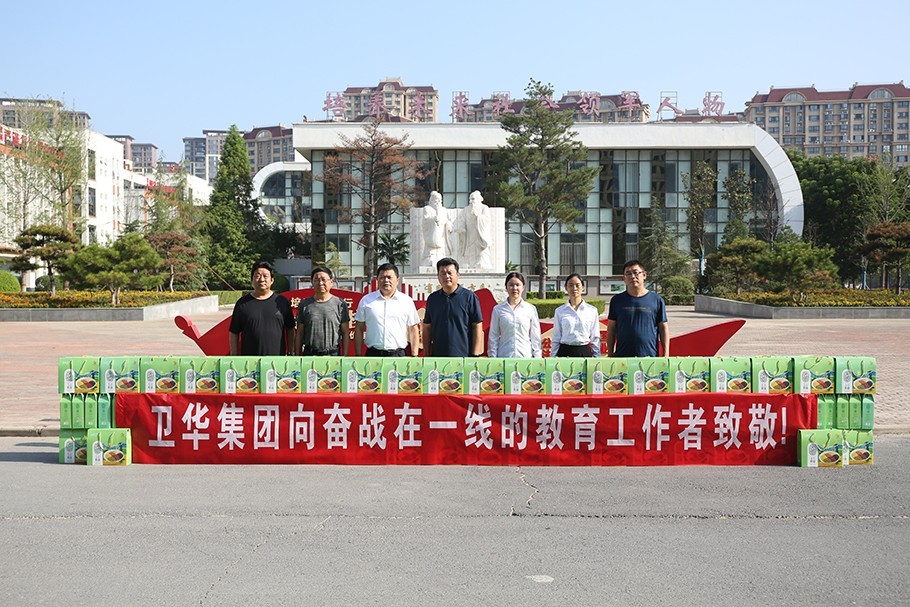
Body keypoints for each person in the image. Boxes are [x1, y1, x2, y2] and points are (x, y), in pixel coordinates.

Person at [229, 261, 295, 356]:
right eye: (258, 276)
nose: (262, 279)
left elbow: (290, 328)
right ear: (252, 280)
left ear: (272, 280)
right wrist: (234, 355)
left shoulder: (282, 302)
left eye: (265, 276)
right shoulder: (242, 303)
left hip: (277, 360)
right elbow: (234, 332)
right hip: (250, 360)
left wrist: (291, 352)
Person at [606, 259, 670, 357]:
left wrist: (666, 354)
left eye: (636, 273)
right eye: (628, 274)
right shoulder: (617, 300)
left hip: (649, 356)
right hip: (623, 356)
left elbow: (663, 327)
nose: (632, 277)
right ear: (624, 279)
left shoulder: (656, 300)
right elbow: (611, 328)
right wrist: (610, 353)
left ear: (644, 275)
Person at [354, 263, 420, 356]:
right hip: (373, 354)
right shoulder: (367, 300)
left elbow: (413, 329)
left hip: (398, 355)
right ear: (377, 280)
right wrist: (358, 355)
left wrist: (415, 354)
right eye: (382, 277)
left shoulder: (406, 301)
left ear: (397, 280)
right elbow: (359, 328)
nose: (386, 280)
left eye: (389, 277)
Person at [422, 257, 483, 357]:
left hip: (463, 356)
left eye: (450, 273)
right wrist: (427, 355)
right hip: (438, 357)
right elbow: (427, 327)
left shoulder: (469, 297)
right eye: (443, 273)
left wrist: (475, 355)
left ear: (457, 275)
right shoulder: (433, 299)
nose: (446, 276)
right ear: (438, 276)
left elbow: (477, 326)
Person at [294, 266, 350, 356]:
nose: (320, 283)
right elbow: (300, 332)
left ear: (331, 282)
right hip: (310, 354)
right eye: (316, 280)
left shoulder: (340, 304)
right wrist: (297, 355)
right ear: (312, 282)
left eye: (323, 280)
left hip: (332, 354)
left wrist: (345, 356)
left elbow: (345, 332)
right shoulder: (304, 304)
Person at [487, 272, 542, 358]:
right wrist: (492, 357)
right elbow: (493, 336)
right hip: (504, 356)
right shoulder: (498, 309)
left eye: (517, 285)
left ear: (523, 287)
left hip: (525, 357)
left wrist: (537, 357)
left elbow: (535, 336)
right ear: (506, 287)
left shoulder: (530, 309)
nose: (514, 288)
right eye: (511, 285)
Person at [550, 273, 600, 358]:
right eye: (570, 285)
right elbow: (556, 337)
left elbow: (595, 337)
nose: (574, 288)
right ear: (566, 288)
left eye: (577, 285)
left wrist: (597, 356)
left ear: (583, 287)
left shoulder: (592, 311)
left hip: (584, 352)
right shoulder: (560, 311)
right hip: (565, 352)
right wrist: (553, 357)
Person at [459, 190, 492, 270]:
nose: (471, 201)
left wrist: (478, 216)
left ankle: (481, 262)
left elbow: (487, 220)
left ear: (478, 199)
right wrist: (461, 228)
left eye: (473, 199)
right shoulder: (466, 209)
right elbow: (462, 220)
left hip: (479, 232)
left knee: (479, 249)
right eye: (470, 199)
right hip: (469, 233)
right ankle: (469, 263)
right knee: (469, 248)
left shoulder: (484, 208)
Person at [420, 191, 453, 267]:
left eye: (439, 200)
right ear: (431, 200)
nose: (437, 202)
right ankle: (429, 258)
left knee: (441, 247)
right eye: (436, 199)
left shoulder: (443, 210)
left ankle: (441, 257)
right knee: (431, 247)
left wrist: (448, 224)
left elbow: (447, 220)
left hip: (441, 233)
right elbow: (426, 220)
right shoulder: (427, 209)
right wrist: (434, 219)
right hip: (431, 232)